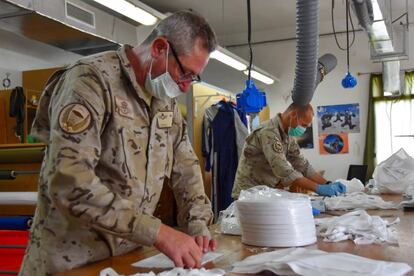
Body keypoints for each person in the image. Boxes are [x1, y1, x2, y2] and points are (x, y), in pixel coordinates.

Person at [20, 10, 217, 275]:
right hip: (69, 261)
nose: (185, 87)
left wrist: (198, 223)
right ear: (160, 48)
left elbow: (186, 166)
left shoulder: (164, 101)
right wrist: (158, 232)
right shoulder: (91, 80)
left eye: (193, 79)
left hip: (126, 260)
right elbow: (69, 180)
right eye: (185, 74)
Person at [232, 103, 346, 199]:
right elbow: (284, 170)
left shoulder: (288, 134)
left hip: (265, 192)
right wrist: (318, 188)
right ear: (293, 115)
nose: (304, 129)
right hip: (249, 194)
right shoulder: (268, 132)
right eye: (304, 125)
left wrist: (327, 184)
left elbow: (302, 165)